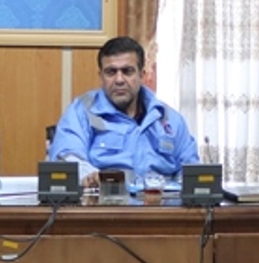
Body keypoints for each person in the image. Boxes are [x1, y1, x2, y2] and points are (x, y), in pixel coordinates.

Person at [47, 35, 197, 186]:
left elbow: (191, 172)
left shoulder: (169, 119)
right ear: (101, 76)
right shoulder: (82, 111)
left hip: (161, 199)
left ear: (142, 75)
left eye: (127, 71)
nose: (119, 80)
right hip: (104, 197)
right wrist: (94, 178)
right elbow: (67, 158)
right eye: (111, 72)